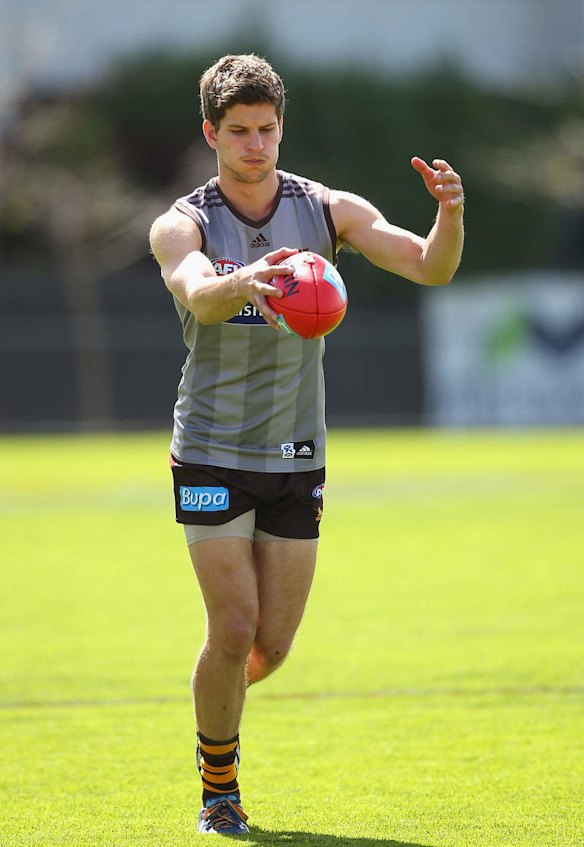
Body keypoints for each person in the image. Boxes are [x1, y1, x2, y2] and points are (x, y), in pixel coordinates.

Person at [149, 53, 464, 835]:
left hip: (296, 454)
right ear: (211, 134)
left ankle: (214, 693)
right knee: (232, 625)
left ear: (281, 126)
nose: (255, 145)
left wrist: (450, 214)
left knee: (271, 645)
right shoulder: (182, 220)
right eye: (239, 132)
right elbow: (195, 290)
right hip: (212, 447)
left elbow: (428, 266)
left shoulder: (325, 211)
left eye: (266, 129)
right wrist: (246, 280)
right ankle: (218, 788)